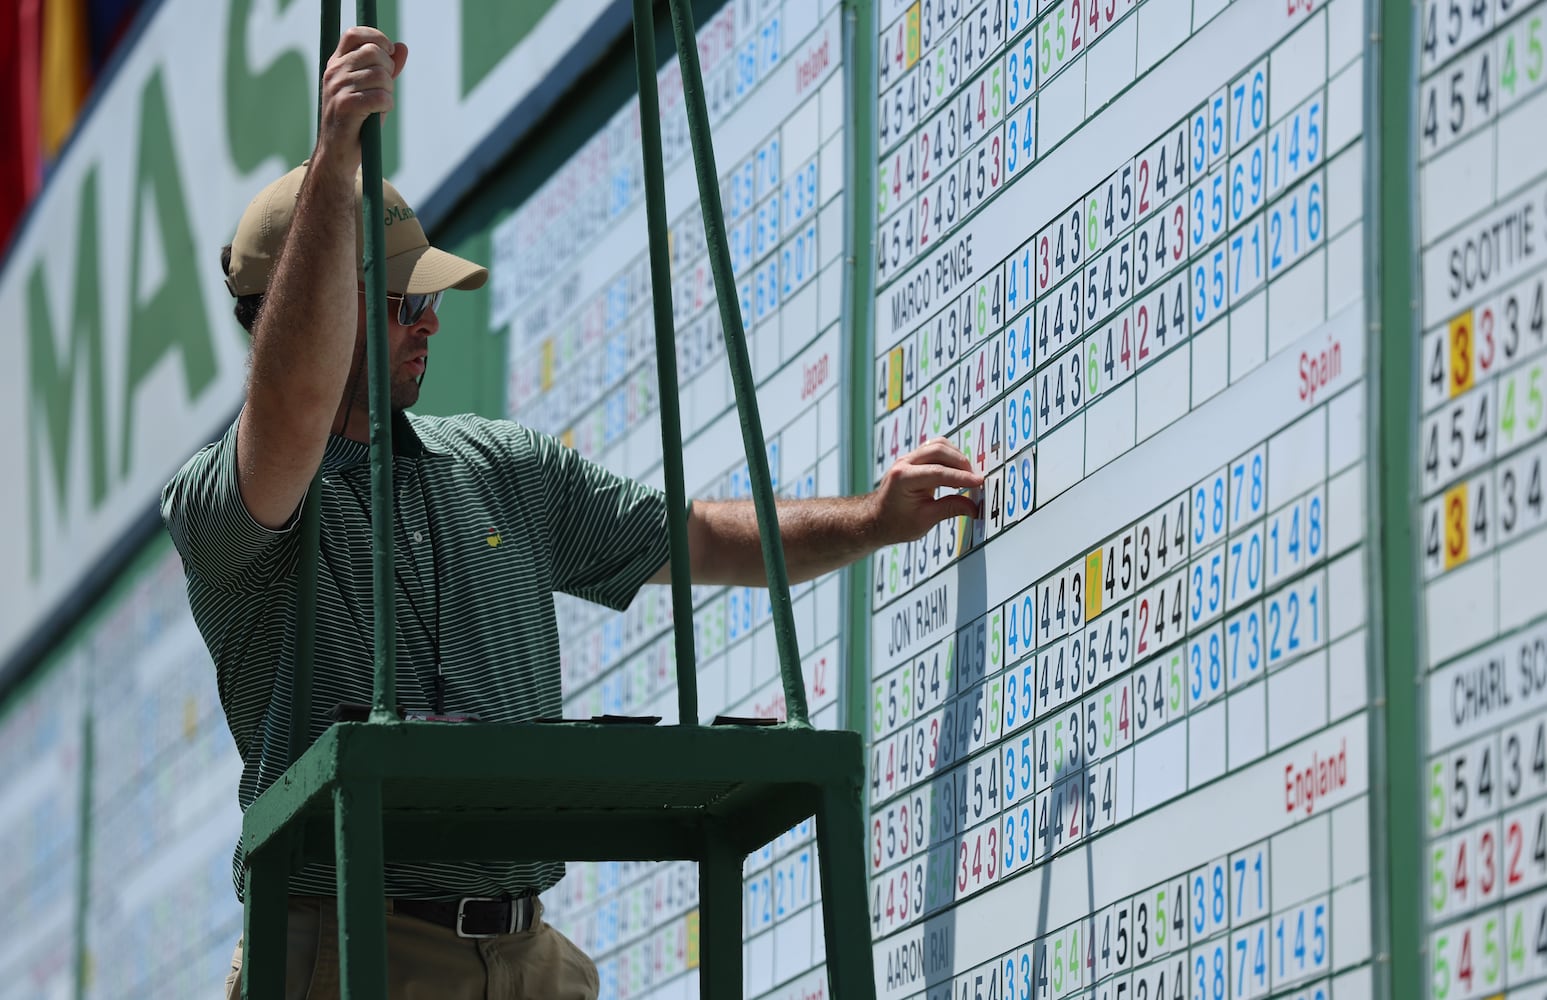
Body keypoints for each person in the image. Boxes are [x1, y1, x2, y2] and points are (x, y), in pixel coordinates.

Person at [163, 25, 982, 1000]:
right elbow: (292, 404)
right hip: (345, 953)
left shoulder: (499, 464)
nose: (430, 317)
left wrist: (870, 520)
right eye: (396, 301)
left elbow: (697, 540)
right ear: (310, 308)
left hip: (527, 957)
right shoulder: (226, 501)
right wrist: (337, 152)